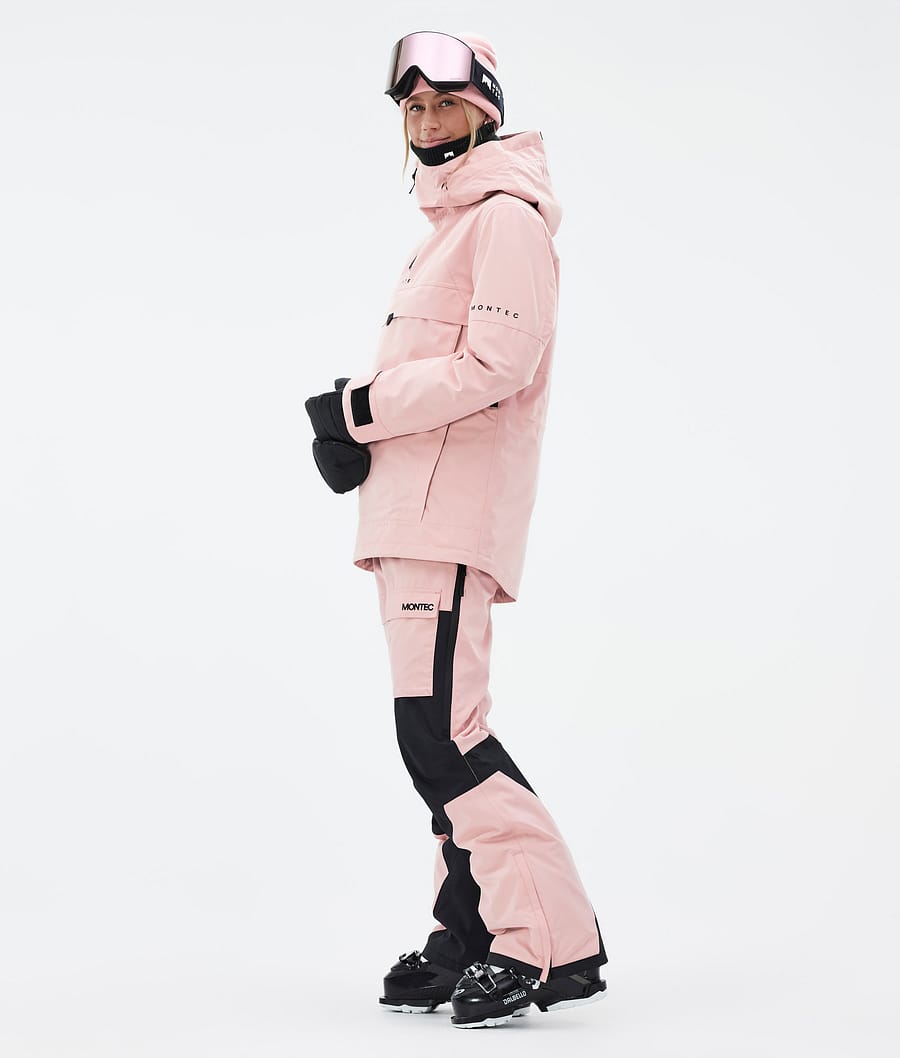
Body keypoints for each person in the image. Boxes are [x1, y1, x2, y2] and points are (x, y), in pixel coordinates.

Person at [304, 30, 608, 1029]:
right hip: (412, 518)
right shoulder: (447, 227)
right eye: (412, 108)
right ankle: (468, 928)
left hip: (451, 521)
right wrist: (359, 439)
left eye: (444, 103)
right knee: (432, 738)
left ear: (484, 110)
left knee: (444, 736)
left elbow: (495, 367)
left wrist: (357, 410)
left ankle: (542, 940)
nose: (427, 121)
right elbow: (439, 382)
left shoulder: (504, 218)